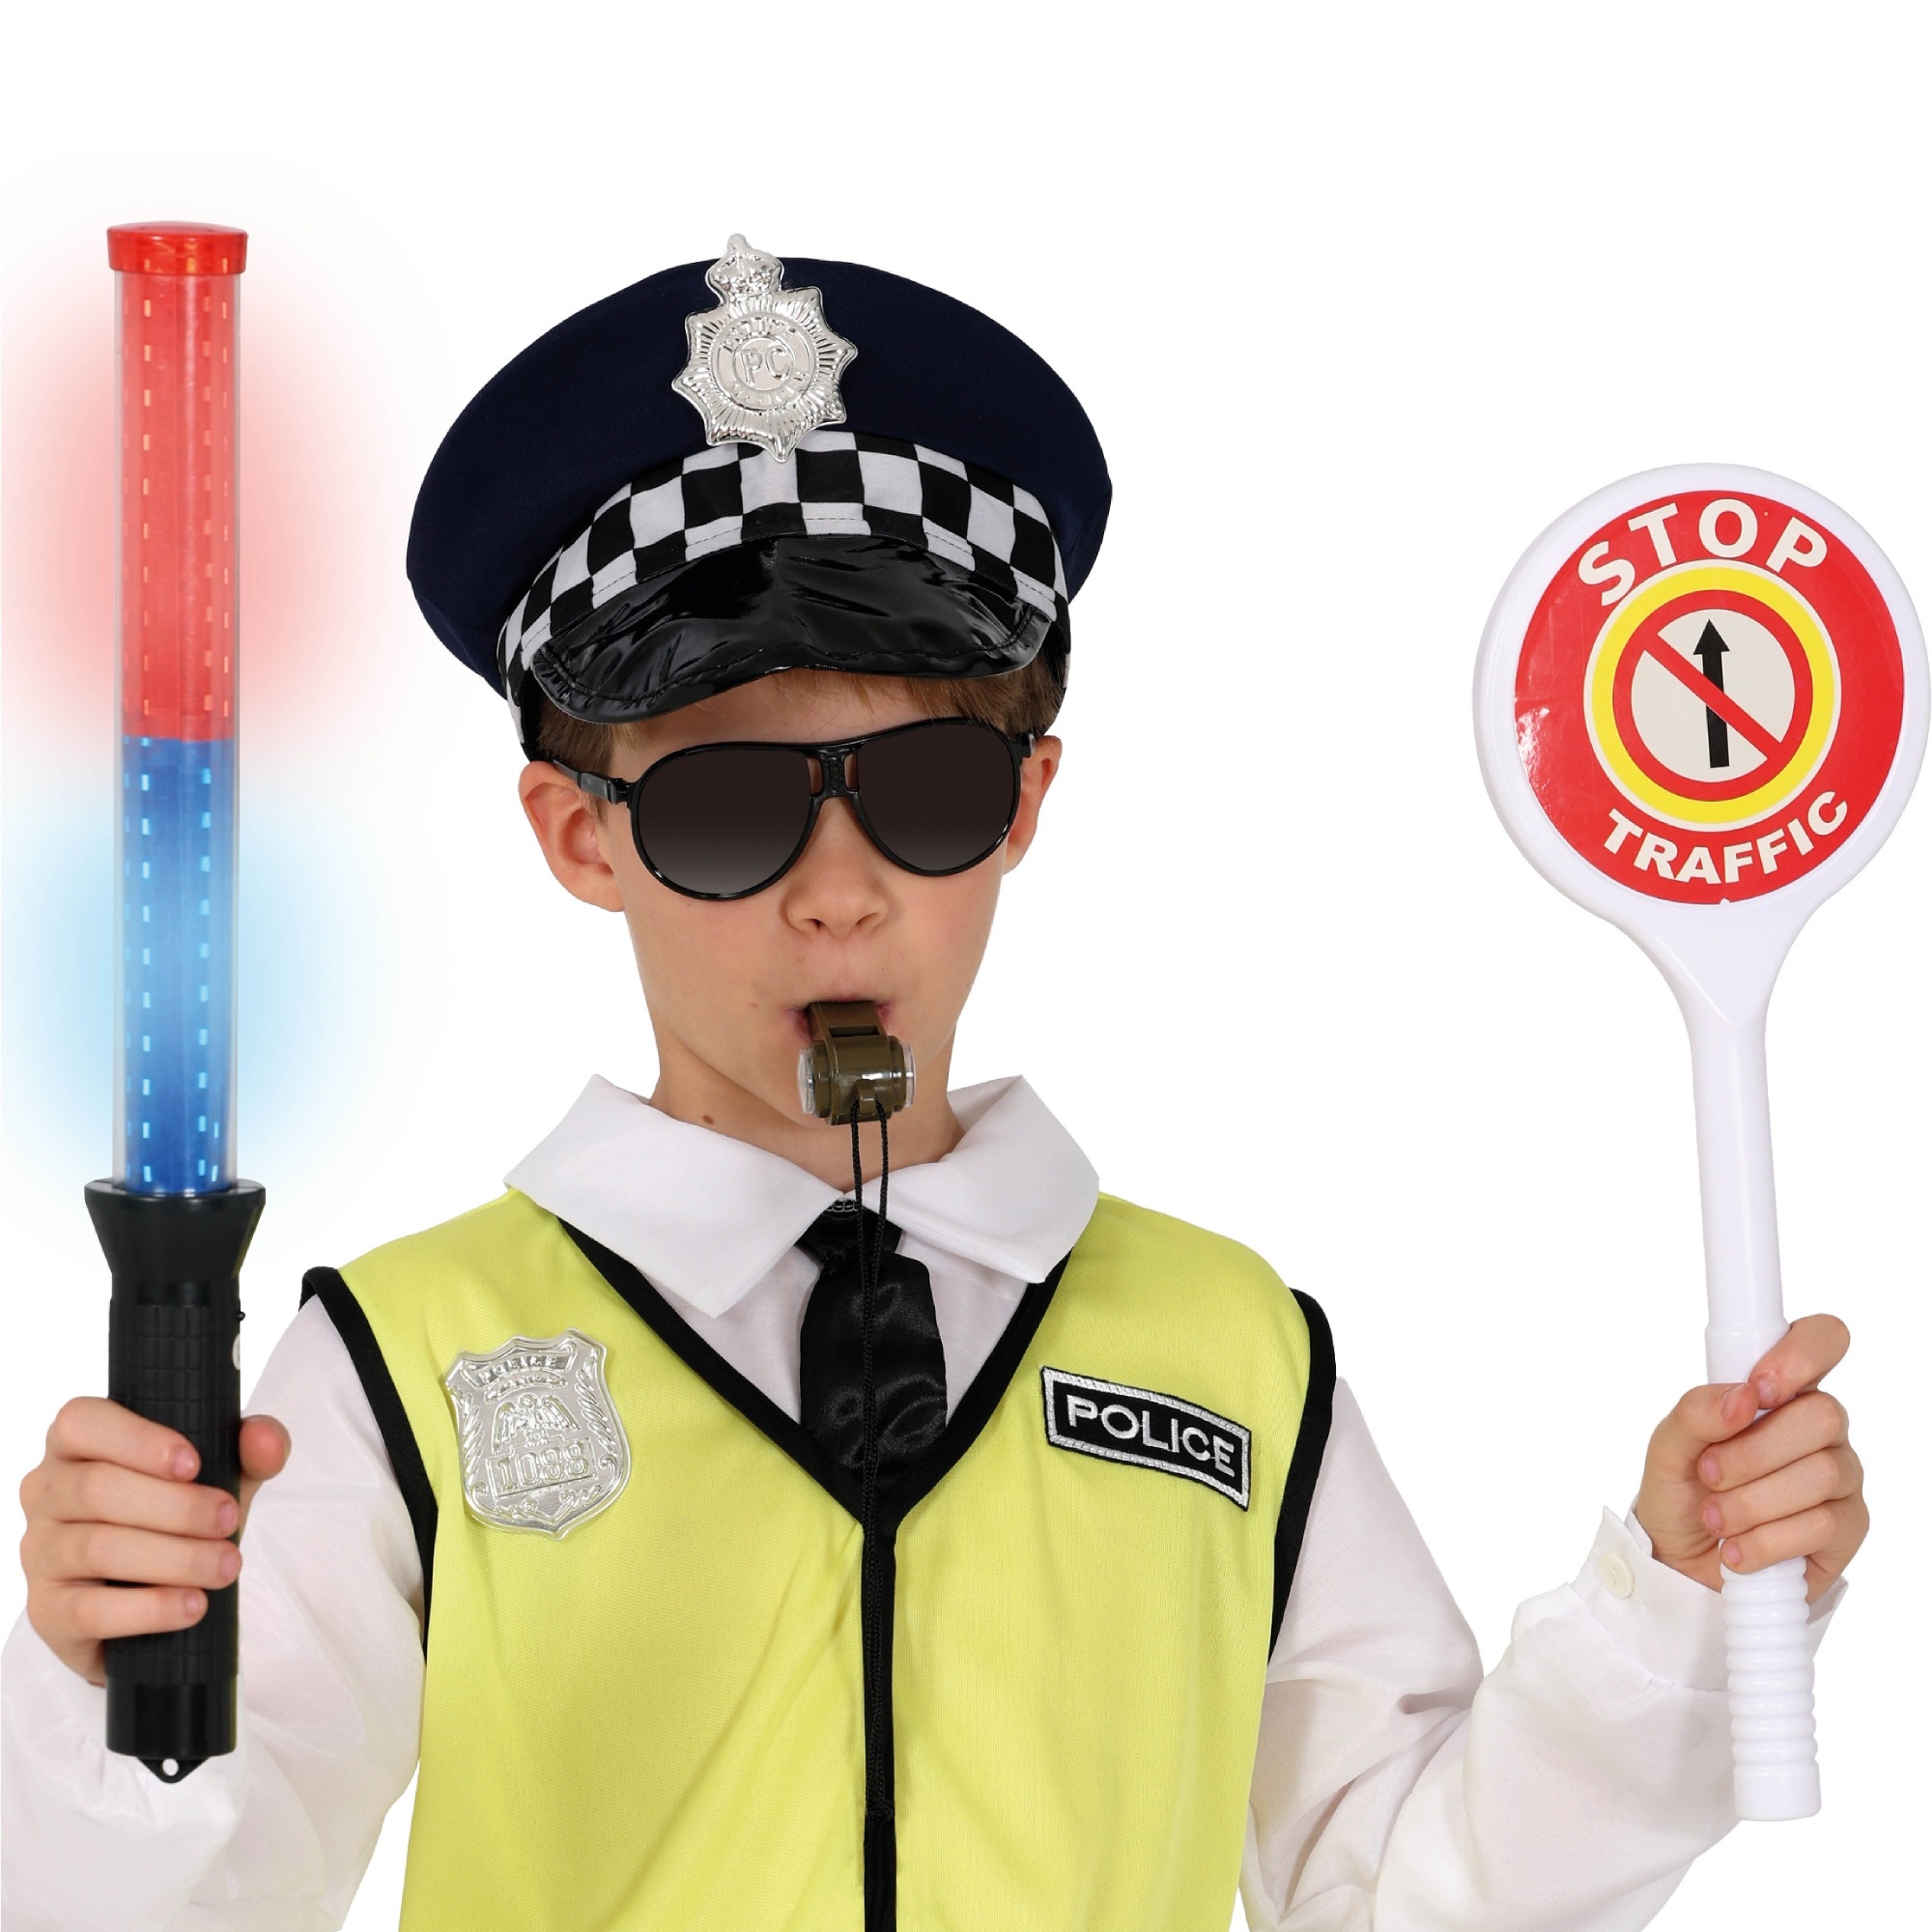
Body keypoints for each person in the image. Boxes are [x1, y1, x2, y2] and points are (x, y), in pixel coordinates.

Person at [5, 238, 1868, 1932]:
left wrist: (1680, 1613)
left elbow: (1397, 1895)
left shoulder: (1230, 1350)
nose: (840, 892)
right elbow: (187, 1896)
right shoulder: (406, 1361)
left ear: (1026, 804)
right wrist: (104, 1685)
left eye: (926, 792)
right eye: (728, 809)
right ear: (581, 836)